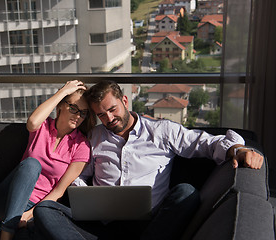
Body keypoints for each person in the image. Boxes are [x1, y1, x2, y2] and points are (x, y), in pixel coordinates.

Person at [32, 80, 264, 240]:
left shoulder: (161, 130)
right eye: (101, 115)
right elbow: (79, 174)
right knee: (45, 210)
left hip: (151, 226)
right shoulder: (94, 137)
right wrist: (85, 194)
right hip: (102, 225)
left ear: (124, 100)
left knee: (186, 192)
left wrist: (237, 149)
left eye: (112, 109)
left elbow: (205, 143)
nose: (109, 118)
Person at [0, 80, 96, 240]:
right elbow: (32, 122)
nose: (77, 116)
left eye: (83, 113)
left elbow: (58, 191)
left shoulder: (82, 146)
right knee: (32, 165)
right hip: (6, 199)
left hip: (36, 208)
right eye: (73, 108)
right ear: (61, 106)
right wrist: (62, 92)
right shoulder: (42, 126)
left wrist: (28, 215)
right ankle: (6, 234)